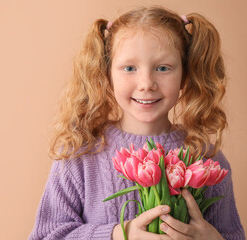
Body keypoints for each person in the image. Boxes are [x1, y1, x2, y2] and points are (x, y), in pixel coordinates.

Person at [29, 6, 245, 240]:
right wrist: (117, 234)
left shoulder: (205, 158)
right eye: (129, 68)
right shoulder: (80, 153)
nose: (146, 83)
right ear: (106, 74)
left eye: (163, 68)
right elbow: (46, 235)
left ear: (185, 75)